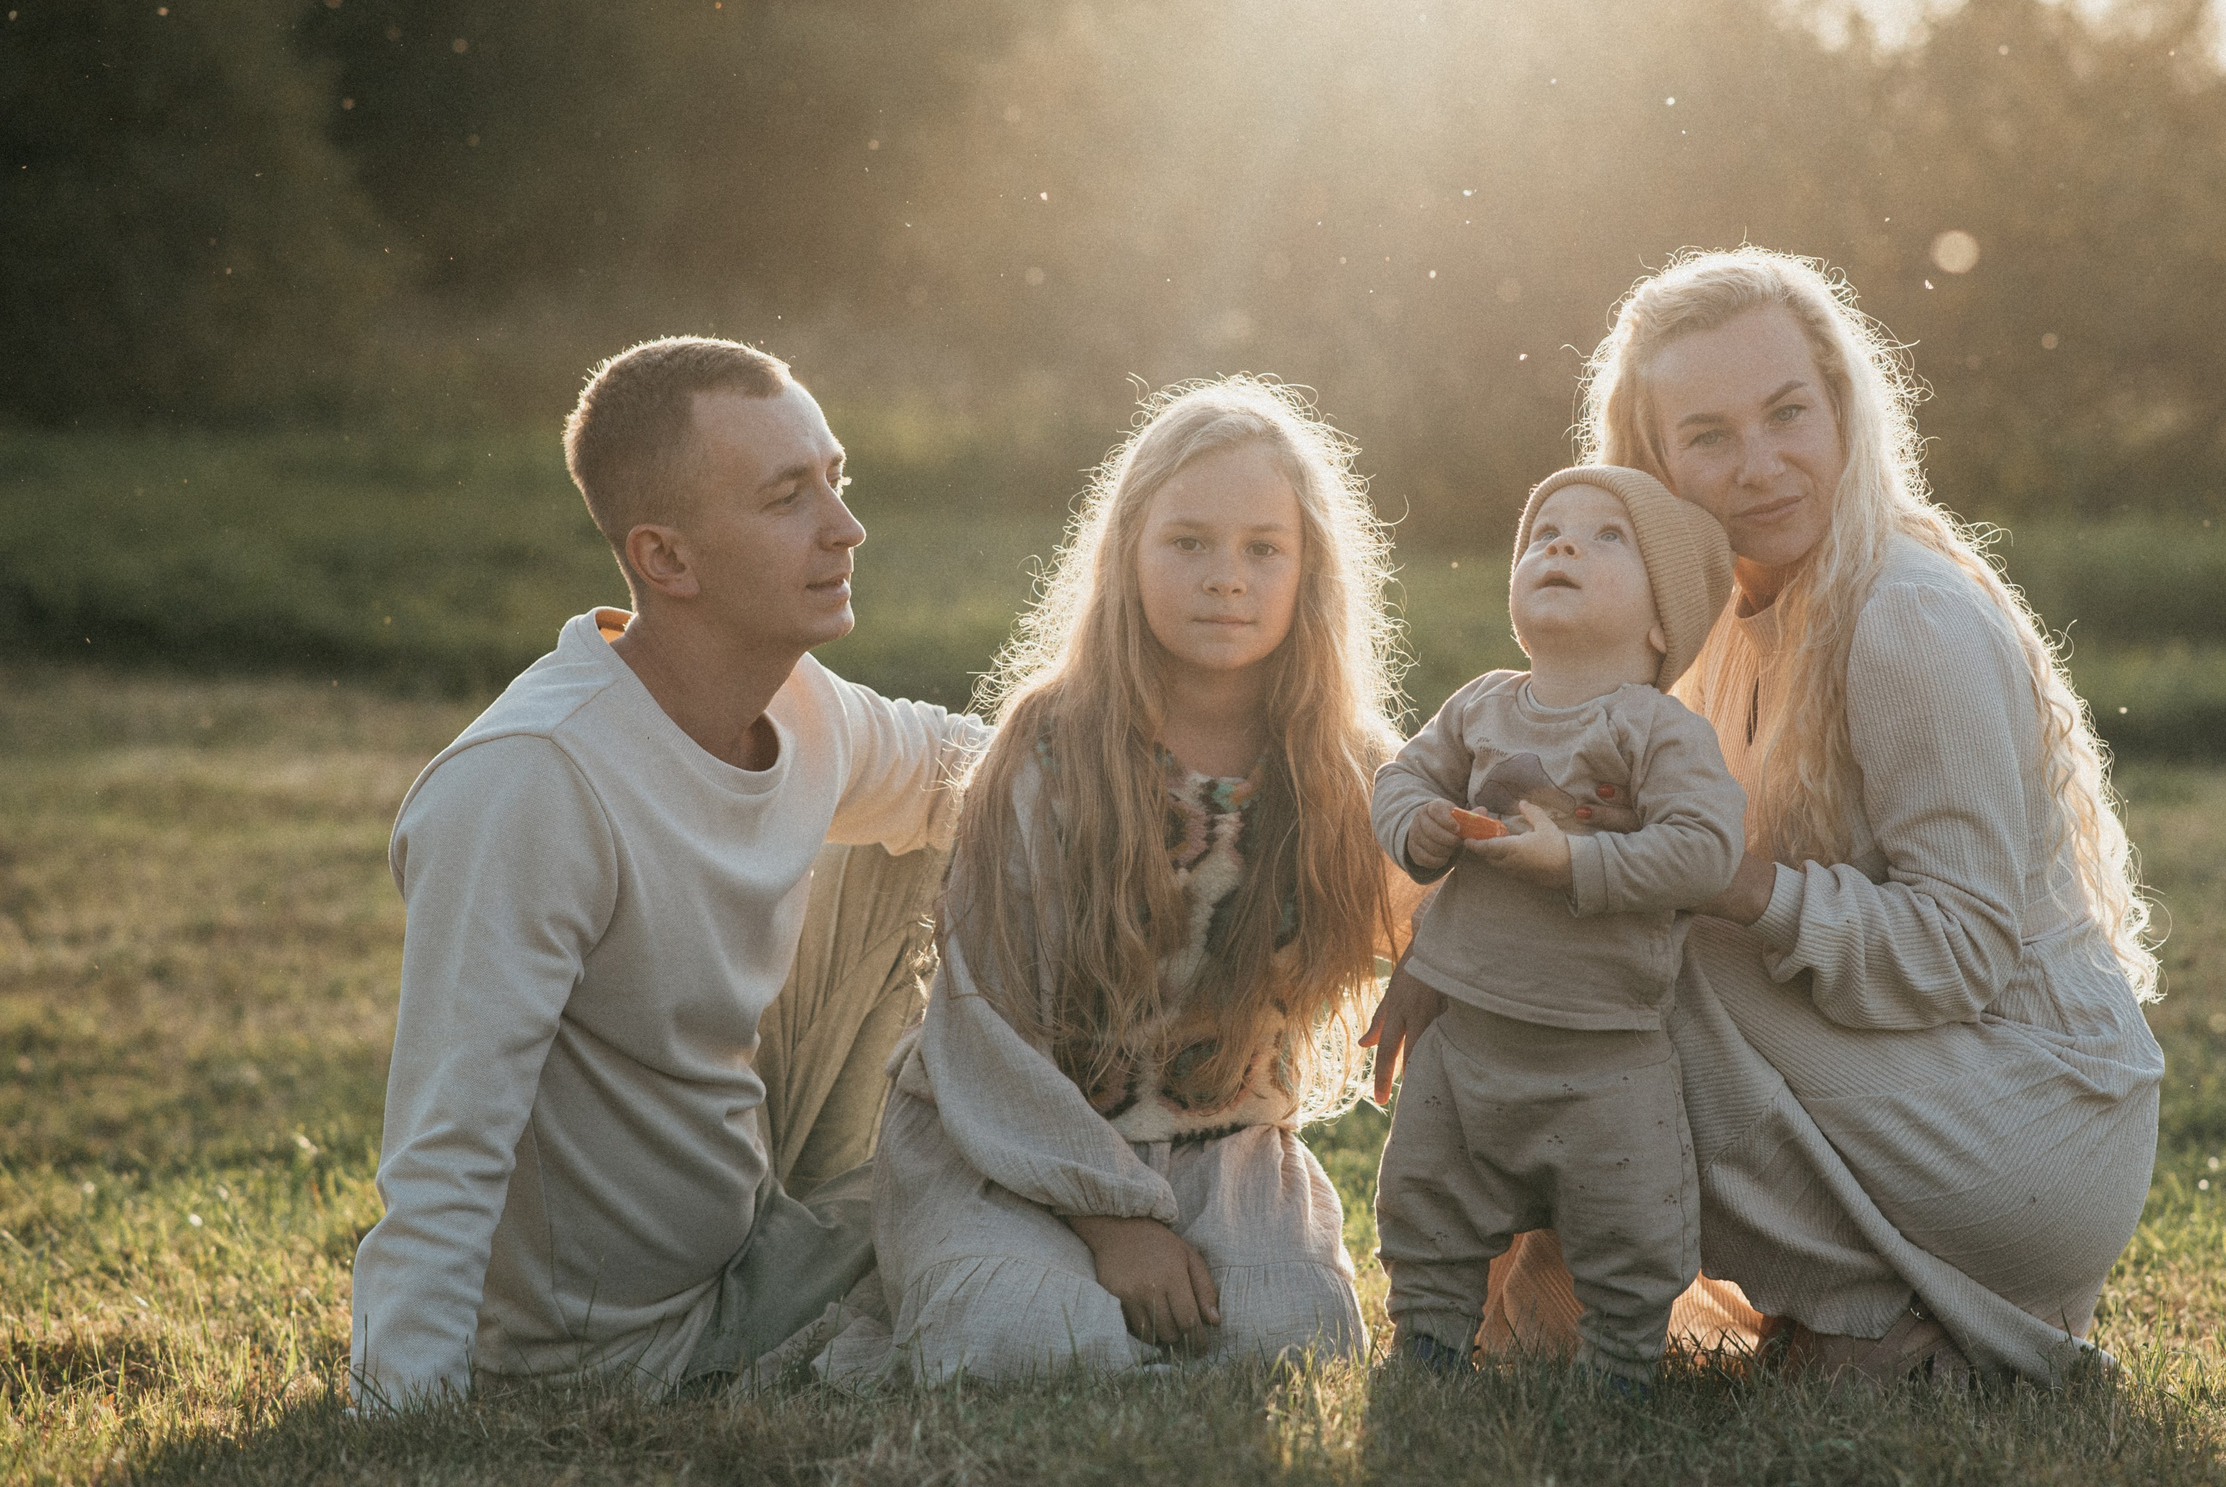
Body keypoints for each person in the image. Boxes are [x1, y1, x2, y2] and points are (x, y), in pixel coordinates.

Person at [1366, 248, 2166, 1388]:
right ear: (1650, 466)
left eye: (1788, 412)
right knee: (1569, 918)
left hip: (2034, 1115)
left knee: (1624, 944)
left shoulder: (1904, 618)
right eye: (1707, 437)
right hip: (1926, 1087)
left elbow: (1964, 947)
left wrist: (1735, 884)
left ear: (1842, 411)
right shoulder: (1725, 621)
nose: (1759, 465)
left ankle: (1892, 1308)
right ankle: (1850, 1324)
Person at [348, 338, 987, 1409]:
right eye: (788, 495)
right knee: (1013, 1207)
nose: (845, 526)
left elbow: (983, 768)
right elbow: (445, 1146)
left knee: (965, 812)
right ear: (667, 558)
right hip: (612, 1348)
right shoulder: (531, 784)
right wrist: (398, 1422)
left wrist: (1243, 769)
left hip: (749, 1227)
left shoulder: (799, 704)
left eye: (838, 478)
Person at [839, 378, 1402, 1384]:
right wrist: (1112, 1222)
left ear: (1308, 568)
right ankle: (1003, 1273)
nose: (1226, 576)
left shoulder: (1344, 764)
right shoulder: (1047, 748)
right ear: (1127, 555)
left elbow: (1431, 924)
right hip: (1009, 1144)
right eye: (1187, 541)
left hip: (1218, 1145)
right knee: (1028, 1342)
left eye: (1262, 548)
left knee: (1295, 1340)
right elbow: (976, 1016)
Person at [1370, 465, 1745, 1385]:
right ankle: (1428, 1344)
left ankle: (1618, 1369)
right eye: (1546, 532)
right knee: (1429, 1200)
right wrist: (1416, 825)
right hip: (1466, 1043)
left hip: (1604, 1056)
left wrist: (1574, 863)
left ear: (1664, 621)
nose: (1563, 544)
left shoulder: (1658, 731)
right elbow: (1400, 779)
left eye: (1604, 536)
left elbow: (1706, 852)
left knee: (1629, 1225)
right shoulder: (1481, 705)